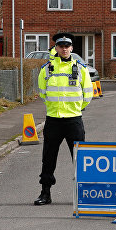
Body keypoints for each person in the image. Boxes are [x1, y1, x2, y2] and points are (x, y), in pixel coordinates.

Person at [34, 33, 94, 206]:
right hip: (53, 120)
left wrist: (75, 109)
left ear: (72, 48)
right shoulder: (47, 69)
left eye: (67, 46)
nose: (64, 49)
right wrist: (55, 108)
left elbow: (88, 94)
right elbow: (43, 92)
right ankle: (45, 193)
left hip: (73, 120)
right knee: (48, 158)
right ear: (56, 48)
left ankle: (84, 194)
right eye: (61, 46)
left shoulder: (80, 68)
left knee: (80, 158)